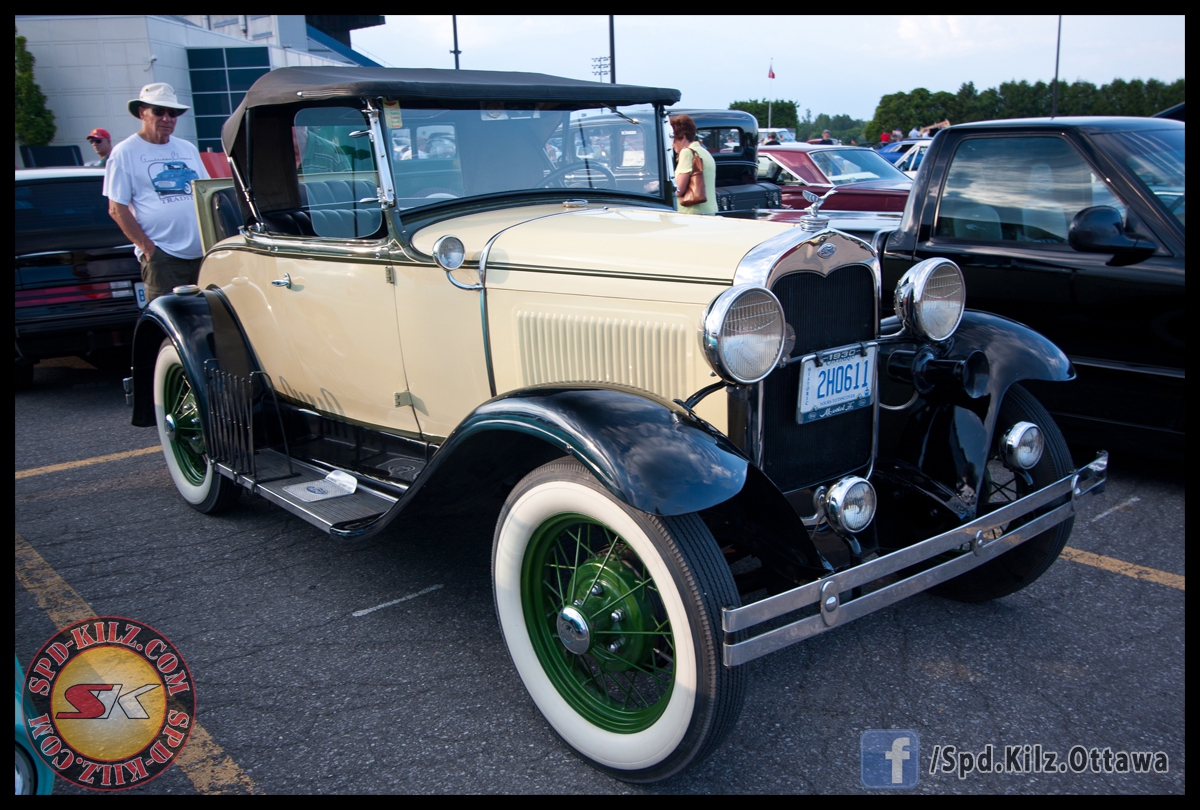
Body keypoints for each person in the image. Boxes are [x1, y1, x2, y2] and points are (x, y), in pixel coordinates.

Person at [104, 83, 209, 304]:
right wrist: (148, 249)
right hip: (164, 257)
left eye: (173, 113)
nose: (167, 118)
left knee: (210, 315)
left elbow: (207, 194)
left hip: (202, 254)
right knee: (169, 316)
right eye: (159, 111)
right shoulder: (124, 152)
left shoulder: (187, 149)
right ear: (142, 112)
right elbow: (116, 208)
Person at [669, 114, 716, 215]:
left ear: (683, 137)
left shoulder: (686, 152)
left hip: (691, 212)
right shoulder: (704, 152)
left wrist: (658, 187)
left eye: (673, 140)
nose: (672, 144)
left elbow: (678, 190)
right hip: (709, 210)